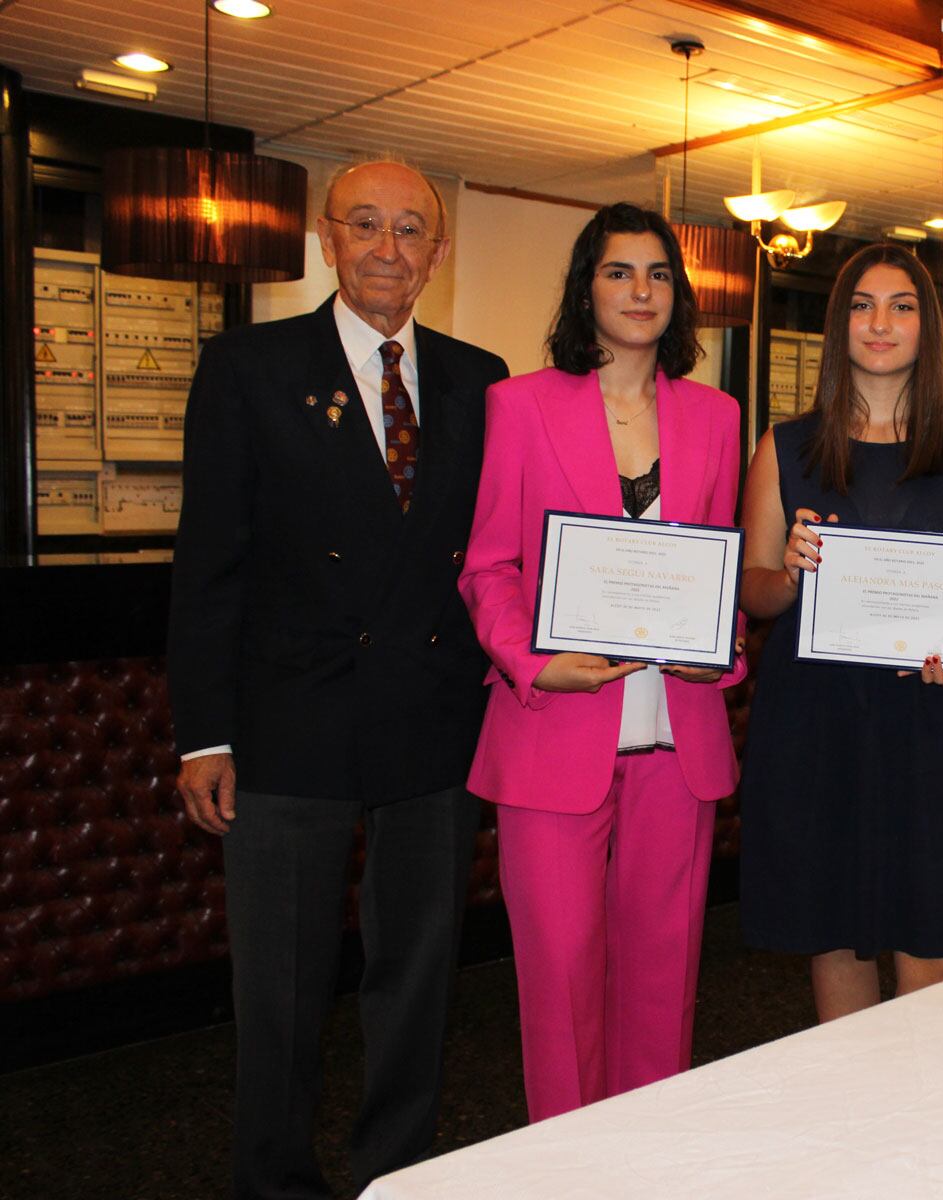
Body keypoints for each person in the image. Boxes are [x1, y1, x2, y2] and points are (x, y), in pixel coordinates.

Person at [169, 159, 508, 1197]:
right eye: (367, 225)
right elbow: (209, 565)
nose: (389, 248)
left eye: (412, 231)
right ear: (328, 238)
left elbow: (503, 549)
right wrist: (202, 735)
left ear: (438, 255)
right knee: (282, 985)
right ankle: (273, 1180)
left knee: (414, 979)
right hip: (288, 725)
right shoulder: (249, 367)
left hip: (433, 720)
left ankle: (396, 1169)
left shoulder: (481, 379)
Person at [458, 203, 744, 1122]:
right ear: (587, 287)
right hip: (552, 735)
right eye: (620, 272)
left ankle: (647, 1162)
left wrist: (722, 649)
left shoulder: (716, 416)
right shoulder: (521, 405)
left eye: (659, 274)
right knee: (560, 980)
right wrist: (534, 664)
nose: (640, 291)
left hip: (678, 737)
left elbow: (720, 568)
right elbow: (489, 565)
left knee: (666, 978)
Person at [737, 242, 943, 1022]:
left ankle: (930, 1134)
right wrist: (792, 574)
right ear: (839, 326)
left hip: (937, 721)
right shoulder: (785, 447)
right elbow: (754, 588)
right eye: (863, 305)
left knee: (935, 950)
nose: (881, 323)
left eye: (902, 306)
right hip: (819, 727)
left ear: (927, 328)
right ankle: (850, 1132)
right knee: (834, 939)